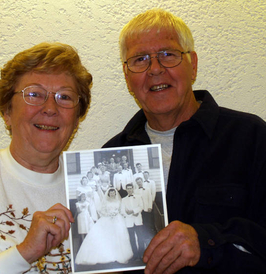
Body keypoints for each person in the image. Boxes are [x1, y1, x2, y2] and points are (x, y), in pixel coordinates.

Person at [103, 8, 266, 274]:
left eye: (168, 54)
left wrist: (207, 243)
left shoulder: (251, 138)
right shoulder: (111, 156)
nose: (155, 69)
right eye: (140, 59)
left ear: (194, 65)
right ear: (127, 77)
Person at [0, 42, 92, 274]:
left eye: (64, 97)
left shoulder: (92, 185)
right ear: (7, 111)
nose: (50, 108)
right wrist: (23, 252)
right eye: (34, 94)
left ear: (76, 119)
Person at [75, 188, 133, 265]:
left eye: (113, 193)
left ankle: (119, 255)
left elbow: (121, 210)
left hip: (117, 219)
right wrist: (108, 214)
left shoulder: (119, 201)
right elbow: (101, 210)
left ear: (115, 193)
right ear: (108, 194)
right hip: (107, 218)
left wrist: (117, 214)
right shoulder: (105, 201)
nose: (112, 194)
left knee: (118, 236)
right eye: (111, 193)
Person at [121, 183, 144, 261]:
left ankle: (141, 254)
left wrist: (134, 211)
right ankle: (135, 254)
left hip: (137, 219)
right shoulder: (123, 199)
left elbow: (141, 206)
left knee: (140, 237)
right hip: (129, 221)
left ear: (133, 189)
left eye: (131, 188)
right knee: (132, 238)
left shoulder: (138, 197)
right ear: (126, 189)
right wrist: (128, 214)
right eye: (128, 189)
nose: (129, 190)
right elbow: (122, 211)